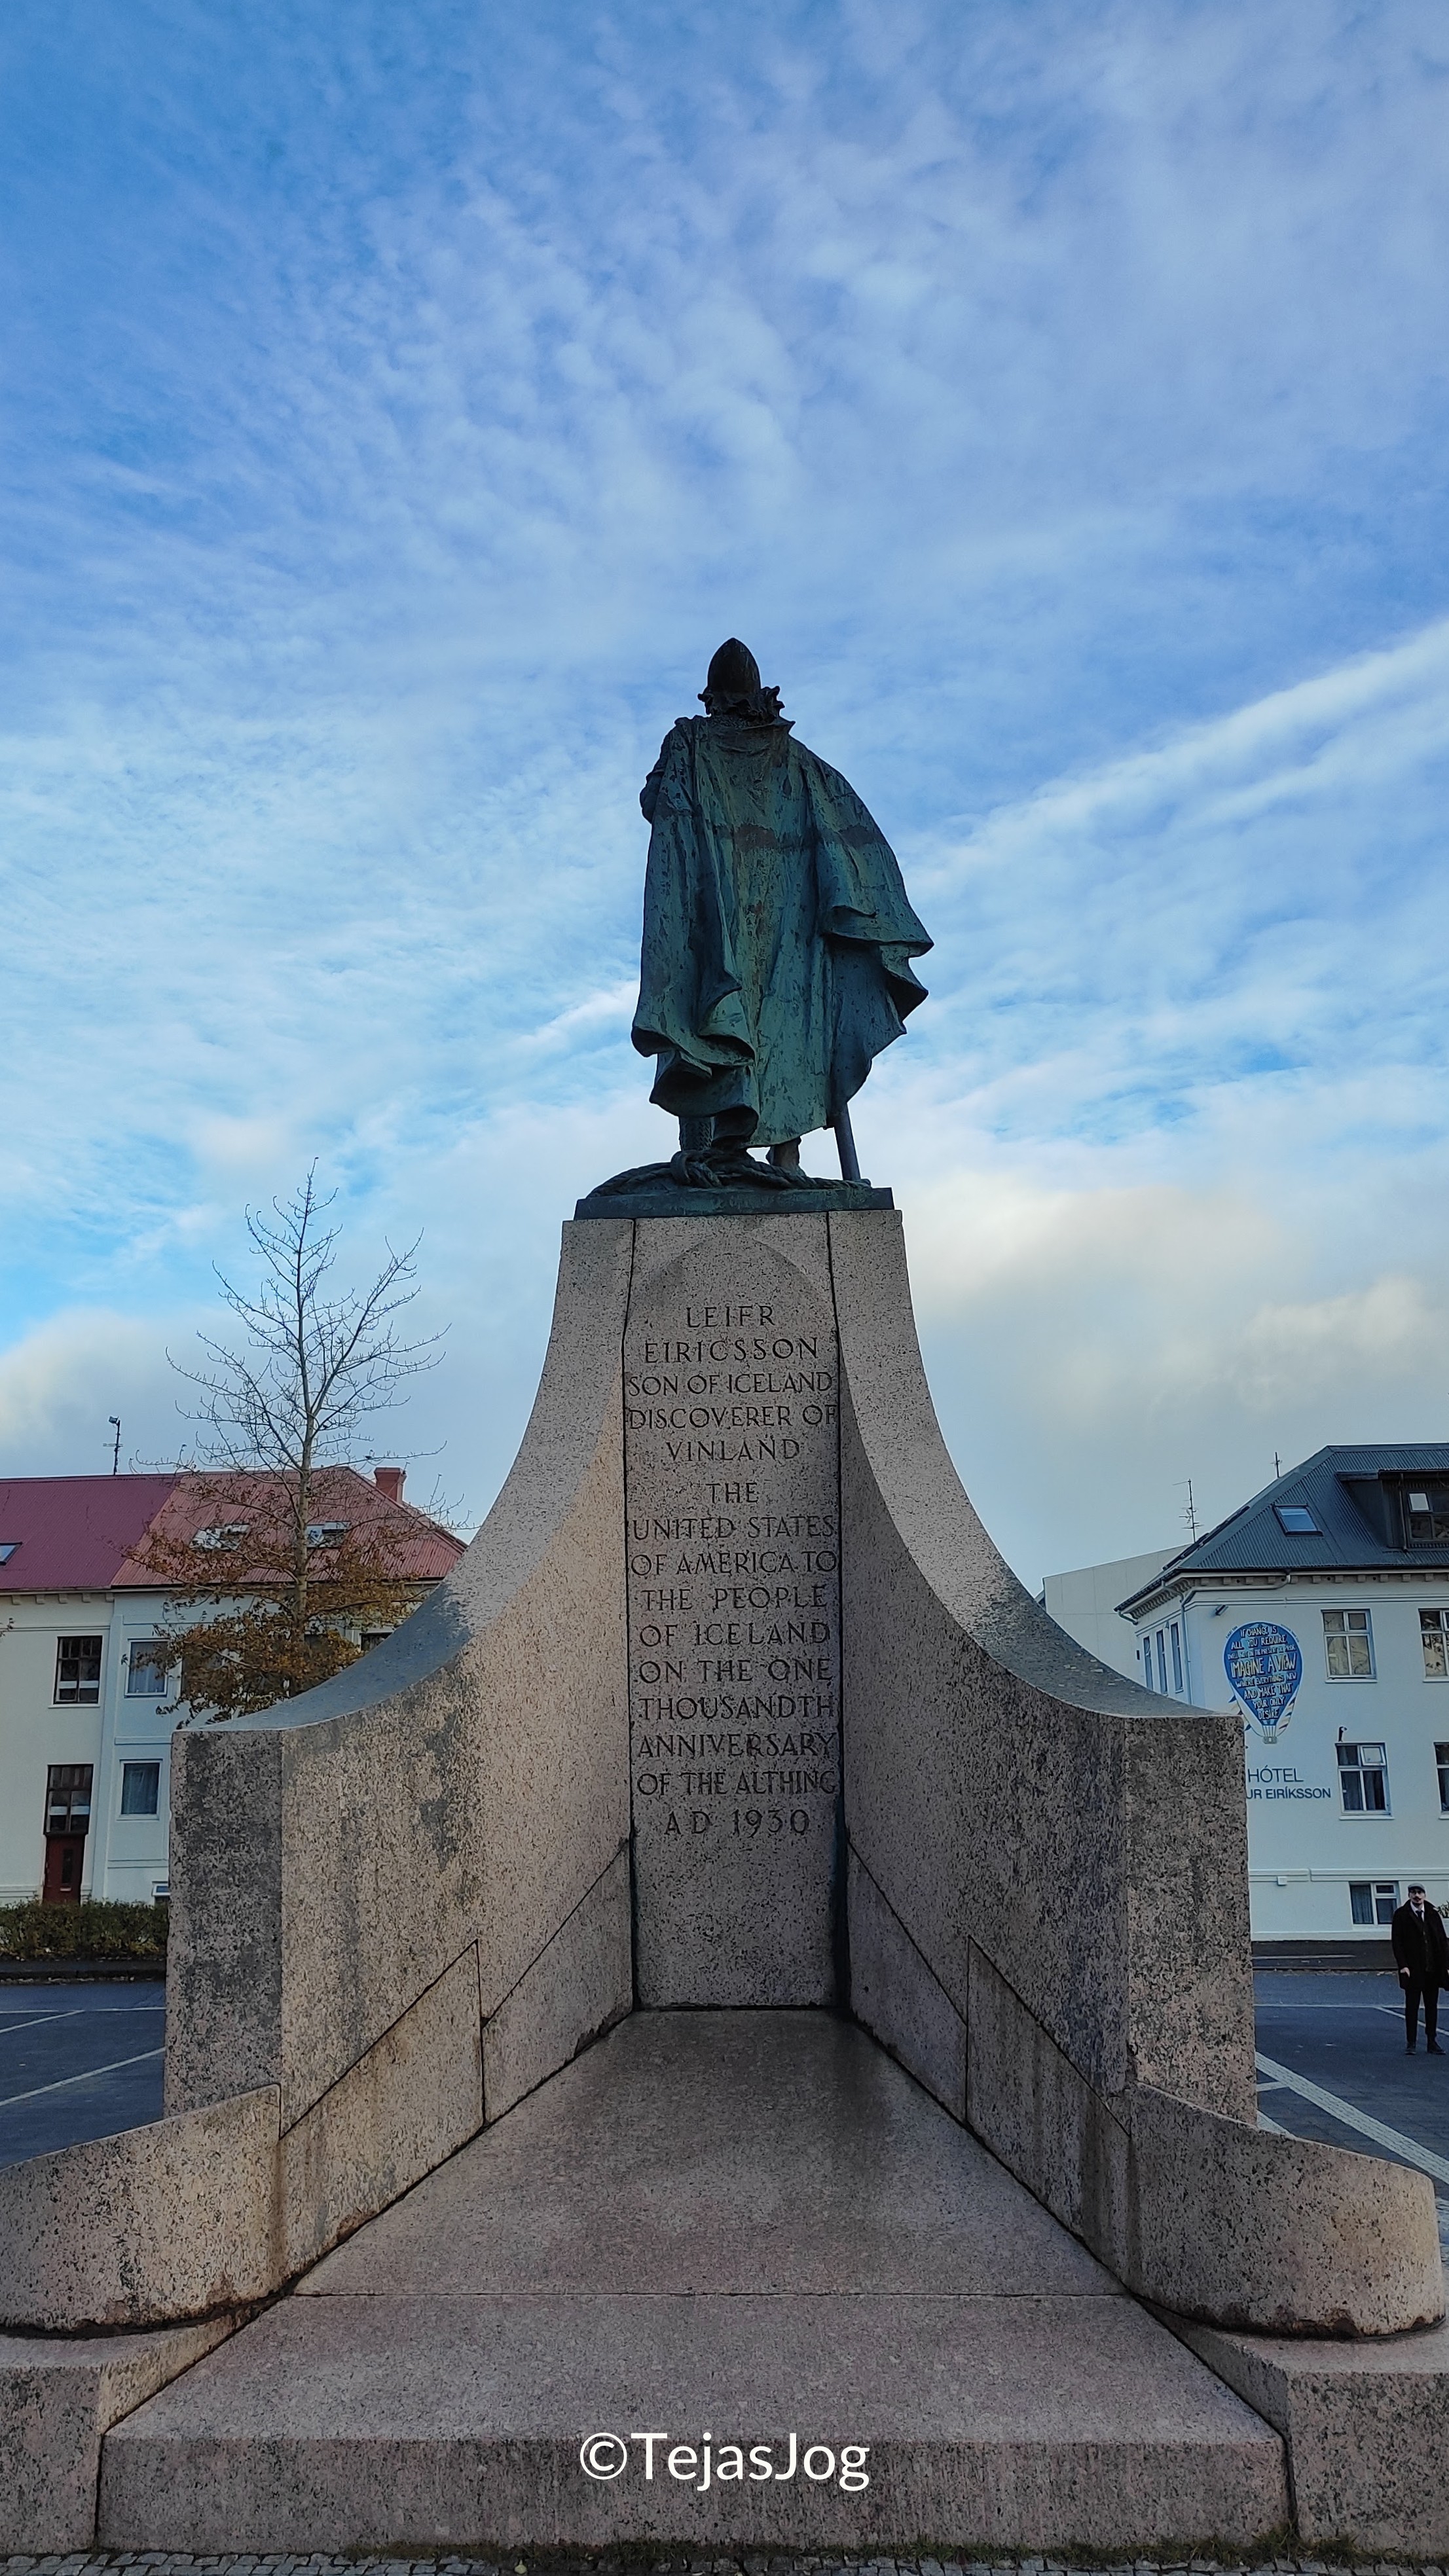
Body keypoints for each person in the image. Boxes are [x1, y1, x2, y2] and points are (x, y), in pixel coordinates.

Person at [631, 640, 932, 1186]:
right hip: (784, 923)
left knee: (710, 1019)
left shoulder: (690, 742)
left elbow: (654, 805)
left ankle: (711, 1155)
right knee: (784, 1024)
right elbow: (850, 832)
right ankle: (780, 1156)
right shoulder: (797, 760)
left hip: (716, 915)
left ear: (712, 698)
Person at [1391, 1884, 1448, 2053]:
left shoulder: (1432, 1913)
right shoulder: (1401, 1915)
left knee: (1432, 2007)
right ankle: (1411, 2043)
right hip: (1413, 1970)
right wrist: (1403, 1966)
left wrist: (1446, 1966)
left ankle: (1432, 2042)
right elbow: (1397, 1942)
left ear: (1424, 1895)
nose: (1417, 1896)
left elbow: (1442, 1941)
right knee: (1412, 2007)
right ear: (1409, 1895)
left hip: (1432, 1969)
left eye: (1420, 1893)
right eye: (1414, 1893)